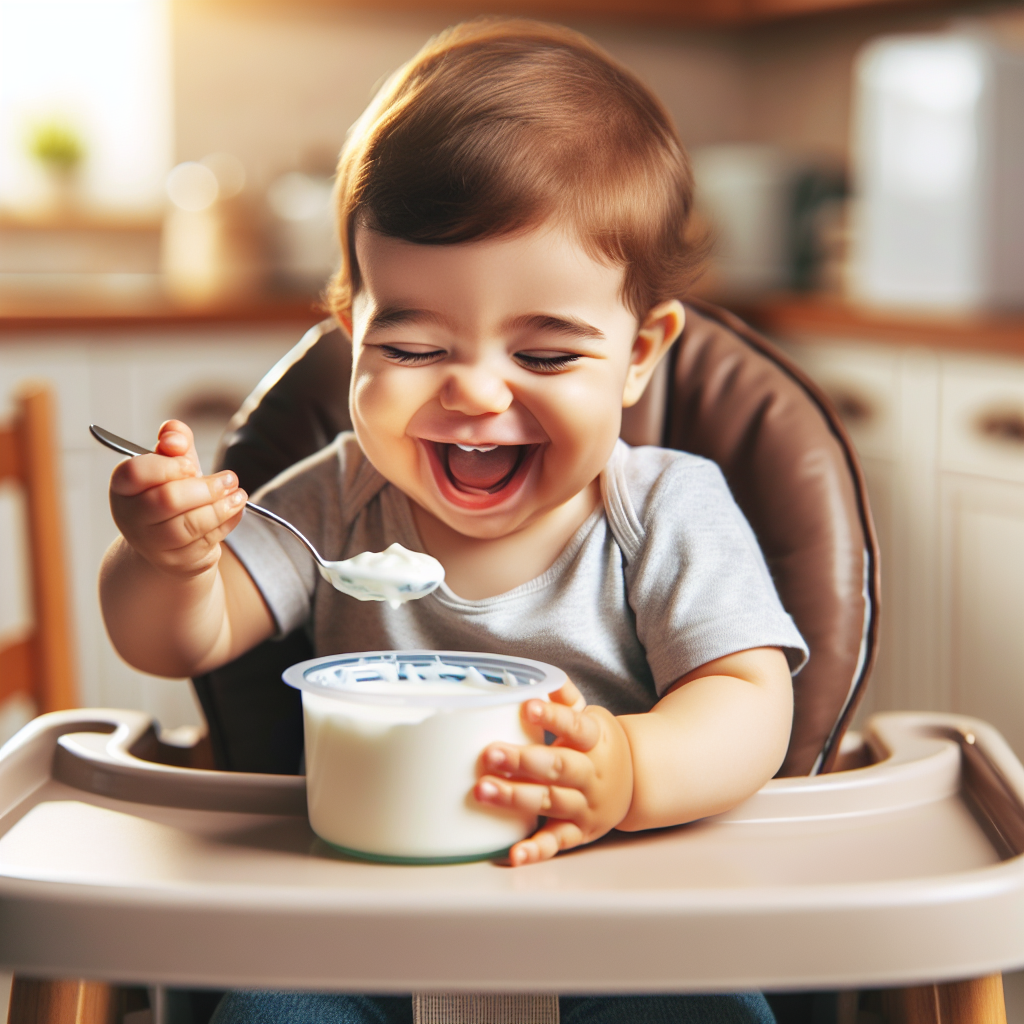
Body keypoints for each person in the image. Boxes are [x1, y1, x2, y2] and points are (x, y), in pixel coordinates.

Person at [99, 19, 807, 1024]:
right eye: (418, 345)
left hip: (621, 916)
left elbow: (749, 698)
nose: (476, 393)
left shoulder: (664, 509)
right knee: (268, 1009)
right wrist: (166, 560)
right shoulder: (332, 499)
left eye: (548, 356)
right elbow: (183, 636)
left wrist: (634, 768)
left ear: (640, 351)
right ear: (354, 333)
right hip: (360, 918)